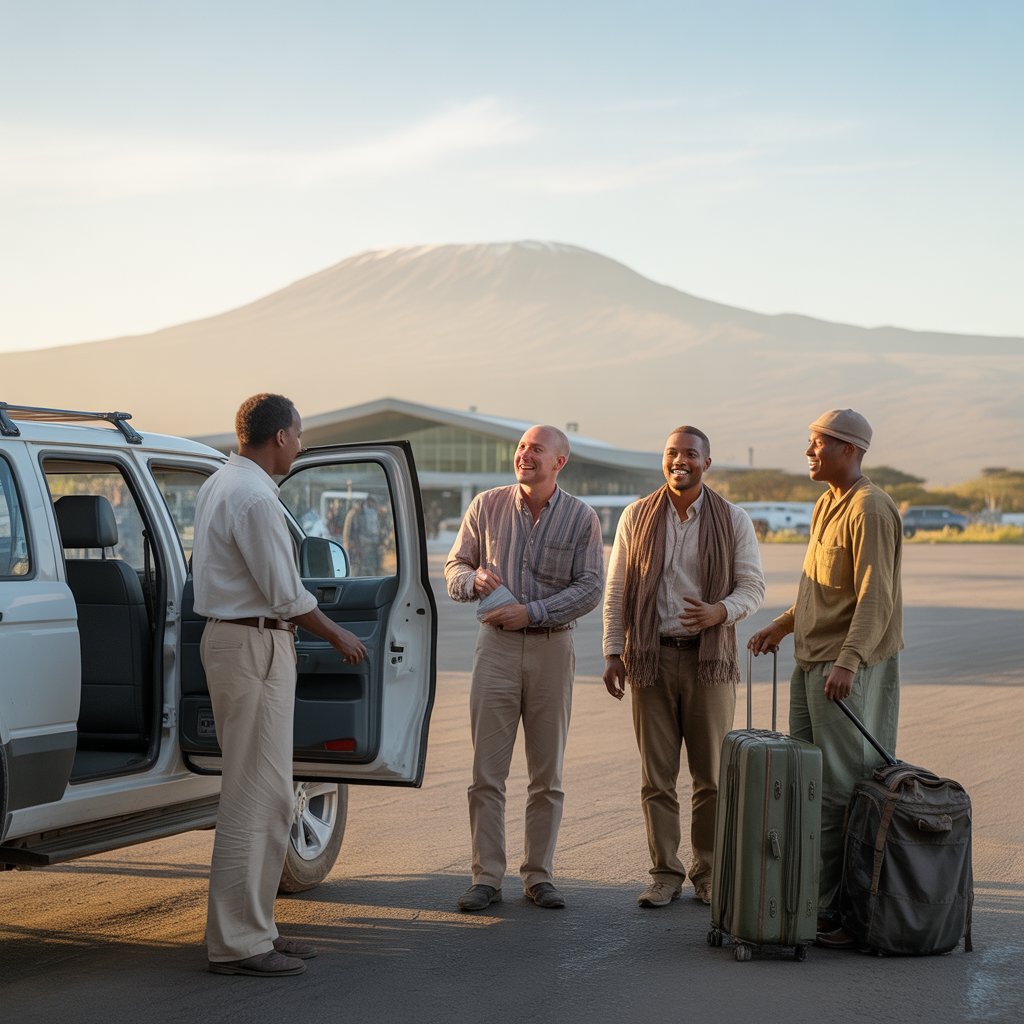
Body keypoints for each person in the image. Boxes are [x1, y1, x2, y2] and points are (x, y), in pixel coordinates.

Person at [192, 393, 367, 977]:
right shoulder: (254, 497)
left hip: (239, 640)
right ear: (280, 437)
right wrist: (338, 634)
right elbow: (286, 595)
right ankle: (239, 943)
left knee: (263, 795)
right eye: (299, 433)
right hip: (253, 645)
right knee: (256, 798)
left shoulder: (222, 483)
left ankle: (255, 928)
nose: (301, 443)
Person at [748, 408, 903, 949]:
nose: (808, 452)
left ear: (849, 450)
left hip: (845, 670)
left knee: (841, 791)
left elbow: (875, 596)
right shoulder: (825, 504)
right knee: (806, 786)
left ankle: (840, 912)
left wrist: (849, 661)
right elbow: (818, 588)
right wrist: (782, 625)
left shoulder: (870, 507)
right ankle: (808, 900)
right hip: (813, 663)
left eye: (818, 443)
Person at [603, 426, 765, 908]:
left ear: (706, 463)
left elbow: (753, 587)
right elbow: (617, 589)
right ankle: (664, 874)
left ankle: (708, 873)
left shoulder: (733, 519)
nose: (680, 460)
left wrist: (720, 612)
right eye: (672, 452)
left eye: (690, 454)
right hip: (650, 660)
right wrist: (613, 652)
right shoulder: (636, 516)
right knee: (657, 779)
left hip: (706, 662)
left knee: (710, 778)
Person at [445, 425, 604, 912]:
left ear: (559, 462)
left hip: (552, 649)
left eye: (536, 449)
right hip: (494, 647)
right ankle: (486, 877)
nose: (524, 455)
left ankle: (539, 875)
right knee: (485, 774)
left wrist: (531, 613)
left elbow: (590, 588)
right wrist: (472, 579)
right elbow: (454, 568)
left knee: (547, 775)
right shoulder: (486, 506)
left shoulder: (581, 518)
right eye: (521, 447)